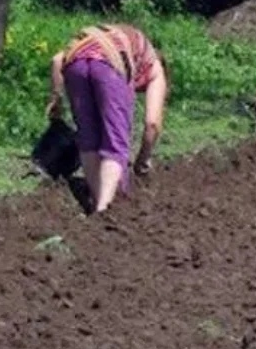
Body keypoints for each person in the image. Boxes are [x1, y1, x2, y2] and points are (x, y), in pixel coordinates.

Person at [46, 23, 168, 213]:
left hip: (75, 61)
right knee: (116, 145)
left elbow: (56, 60)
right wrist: (142, 163)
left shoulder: (121, 36)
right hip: (110, 64)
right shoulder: (154, 67)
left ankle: (97, 204)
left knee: (88, 140)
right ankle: (105, 211)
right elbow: (152, 125)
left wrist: (56, 99)